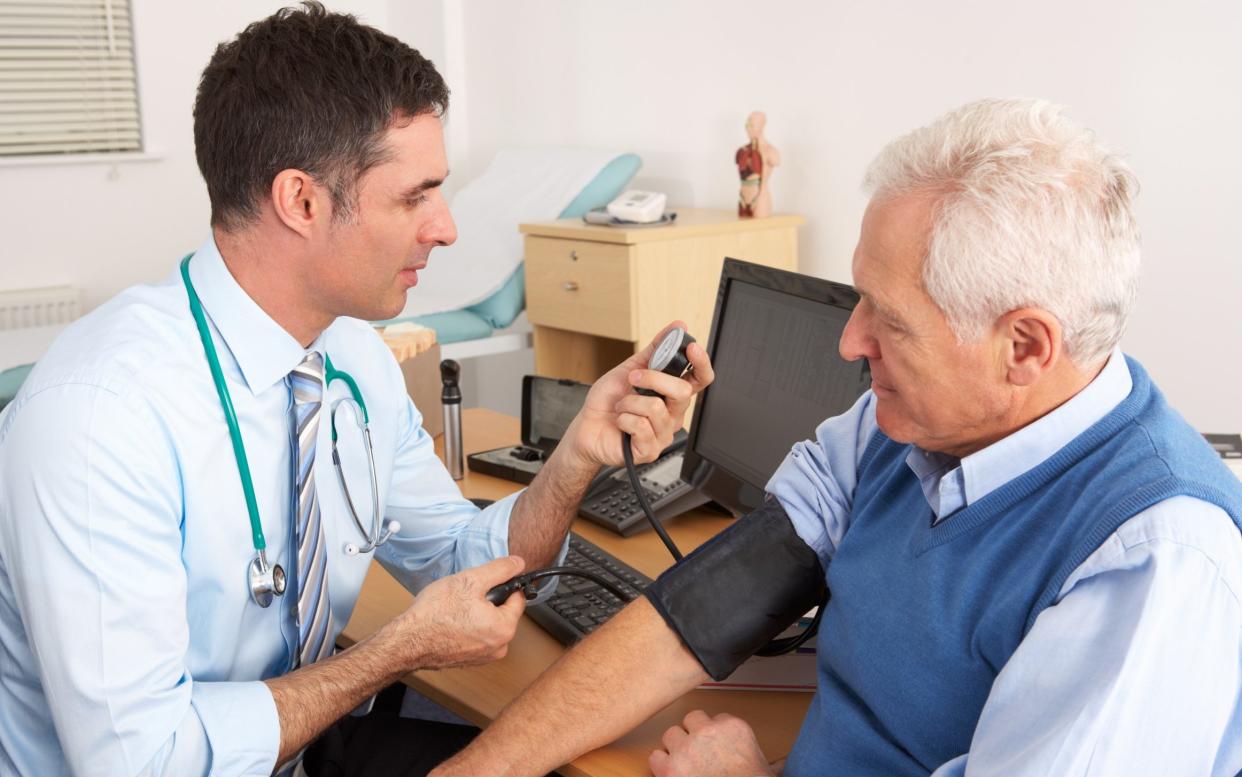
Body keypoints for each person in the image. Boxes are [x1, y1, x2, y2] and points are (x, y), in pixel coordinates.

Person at [0, 4, 713, 776]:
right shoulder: (100, 419)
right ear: (301, 201)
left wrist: (575, 456)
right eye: (415, 197)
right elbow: (141, 761)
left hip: (295, 750)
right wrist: (392, 652)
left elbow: (461, 559)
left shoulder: (351, 360)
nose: (446, 228)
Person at [432, 98, 1242, 777]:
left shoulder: (1154, 563)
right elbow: (697, 616)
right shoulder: (902, 424)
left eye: (889, 319)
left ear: (1025, 347)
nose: (850, 344)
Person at [736, 111, 780, 218]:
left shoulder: (770, 151)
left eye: (751, 125)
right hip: (743, 199)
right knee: (742, 231)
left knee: (760, 231)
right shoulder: (742, 151)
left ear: (761, 126)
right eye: (747, 125)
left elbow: (775, 161)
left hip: (760, 198)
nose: (747, 128)